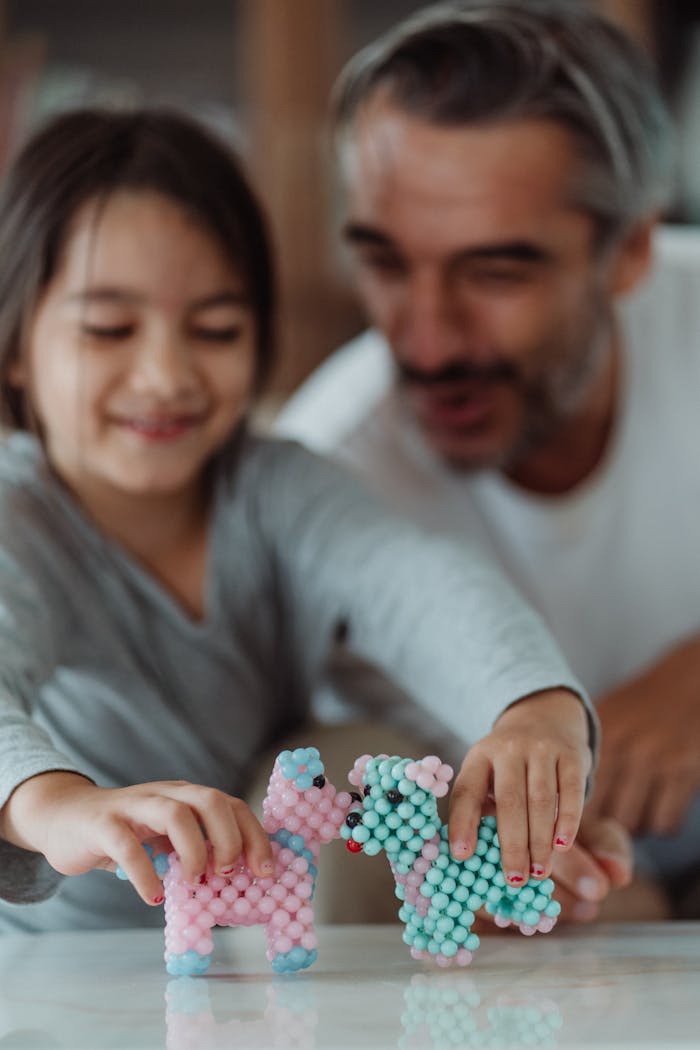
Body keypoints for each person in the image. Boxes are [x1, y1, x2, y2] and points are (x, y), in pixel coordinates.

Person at [0, 108, 596, 933]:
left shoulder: (276, 489)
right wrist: (53, 803)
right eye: (109, 328)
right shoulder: (19, 517)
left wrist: (532, 705)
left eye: (216, 329)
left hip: (264, 943)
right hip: (69, 964)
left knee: (356, 749)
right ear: (16, 350)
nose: (166, 373)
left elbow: (414, 581)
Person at [276, 0, 699, 919]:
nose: (426, 342)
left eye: (495, 273)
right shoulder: (323, 473)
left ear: (628, 251)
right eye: (385, 262)